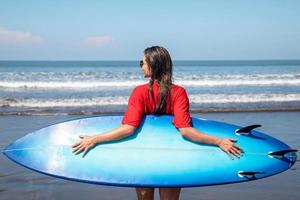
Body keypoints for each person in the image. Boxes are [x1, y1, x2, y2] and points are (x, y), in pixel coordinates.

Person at [72, 46, 243, 200]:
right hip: (173, 157)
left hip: (144, 155)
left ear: (153, 66)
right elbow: (186, 131)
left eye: (143, 62)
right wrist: (219, 141)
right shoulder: (178, 92)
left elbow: (128, 129)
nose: (141, 66)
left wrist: (94, 139)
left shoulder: (139, 92)